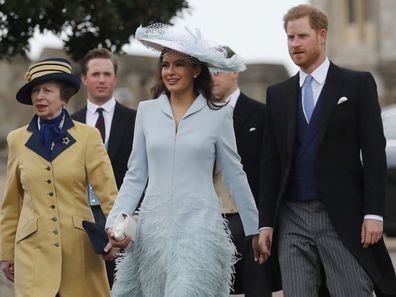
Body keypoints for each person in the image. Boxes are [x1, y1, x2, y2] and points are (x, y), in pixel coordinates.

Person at [105, 23, 259, 296]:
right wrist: (115, 221)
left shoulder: (218, 114)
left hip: (199, 229)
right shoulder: (146, 112)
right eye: (165, 65)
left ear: (197, 70)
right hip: (151, 232)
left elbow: (234, 173)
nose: (170, 72)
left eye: (179, 65)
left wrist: (254, 229)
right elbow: (136, 174)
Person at [255, 4, 396, 297]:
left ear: (322, 36)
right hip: (291, 216)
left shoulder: (357, 85)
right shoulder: (277, 95)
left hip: (341, 215)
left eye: (302, 36)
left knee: (351, 291)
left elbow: (373, 153)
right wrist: (266, 222)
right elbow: (270, 163)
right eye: (290, 38)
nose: (295, 44)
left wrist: (374, 213)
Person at [0, 57, 118, 297]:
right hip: (32, 252)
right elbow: (11, 204)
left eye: (47, 90)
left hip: (80, 251)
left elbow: (108, 193)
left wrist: (117, 234)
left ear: (64, 96)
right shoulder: (17, 139)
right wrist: (5, 253)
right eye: (35, 91)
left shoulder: (88, 136)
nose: (39, 97)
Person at [211, 46, 274, 296]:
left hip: (251, 224)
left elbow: (270, 172)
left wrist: (265, 224)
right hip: (209, 221)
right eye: (208, 72)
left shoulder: (262, 114)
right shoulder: (198, 117)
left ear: (235, 71)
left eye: (218, 70)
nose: (212, 77)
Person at [72, 48, 136, 287]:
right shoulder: (70, 123)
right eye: (95, 73)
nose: (101, 79)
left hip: (122, 216)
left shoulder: (135, 120)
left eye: (107, 74)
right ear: (84, 79)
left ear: (115, 78)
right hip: (79, 217)